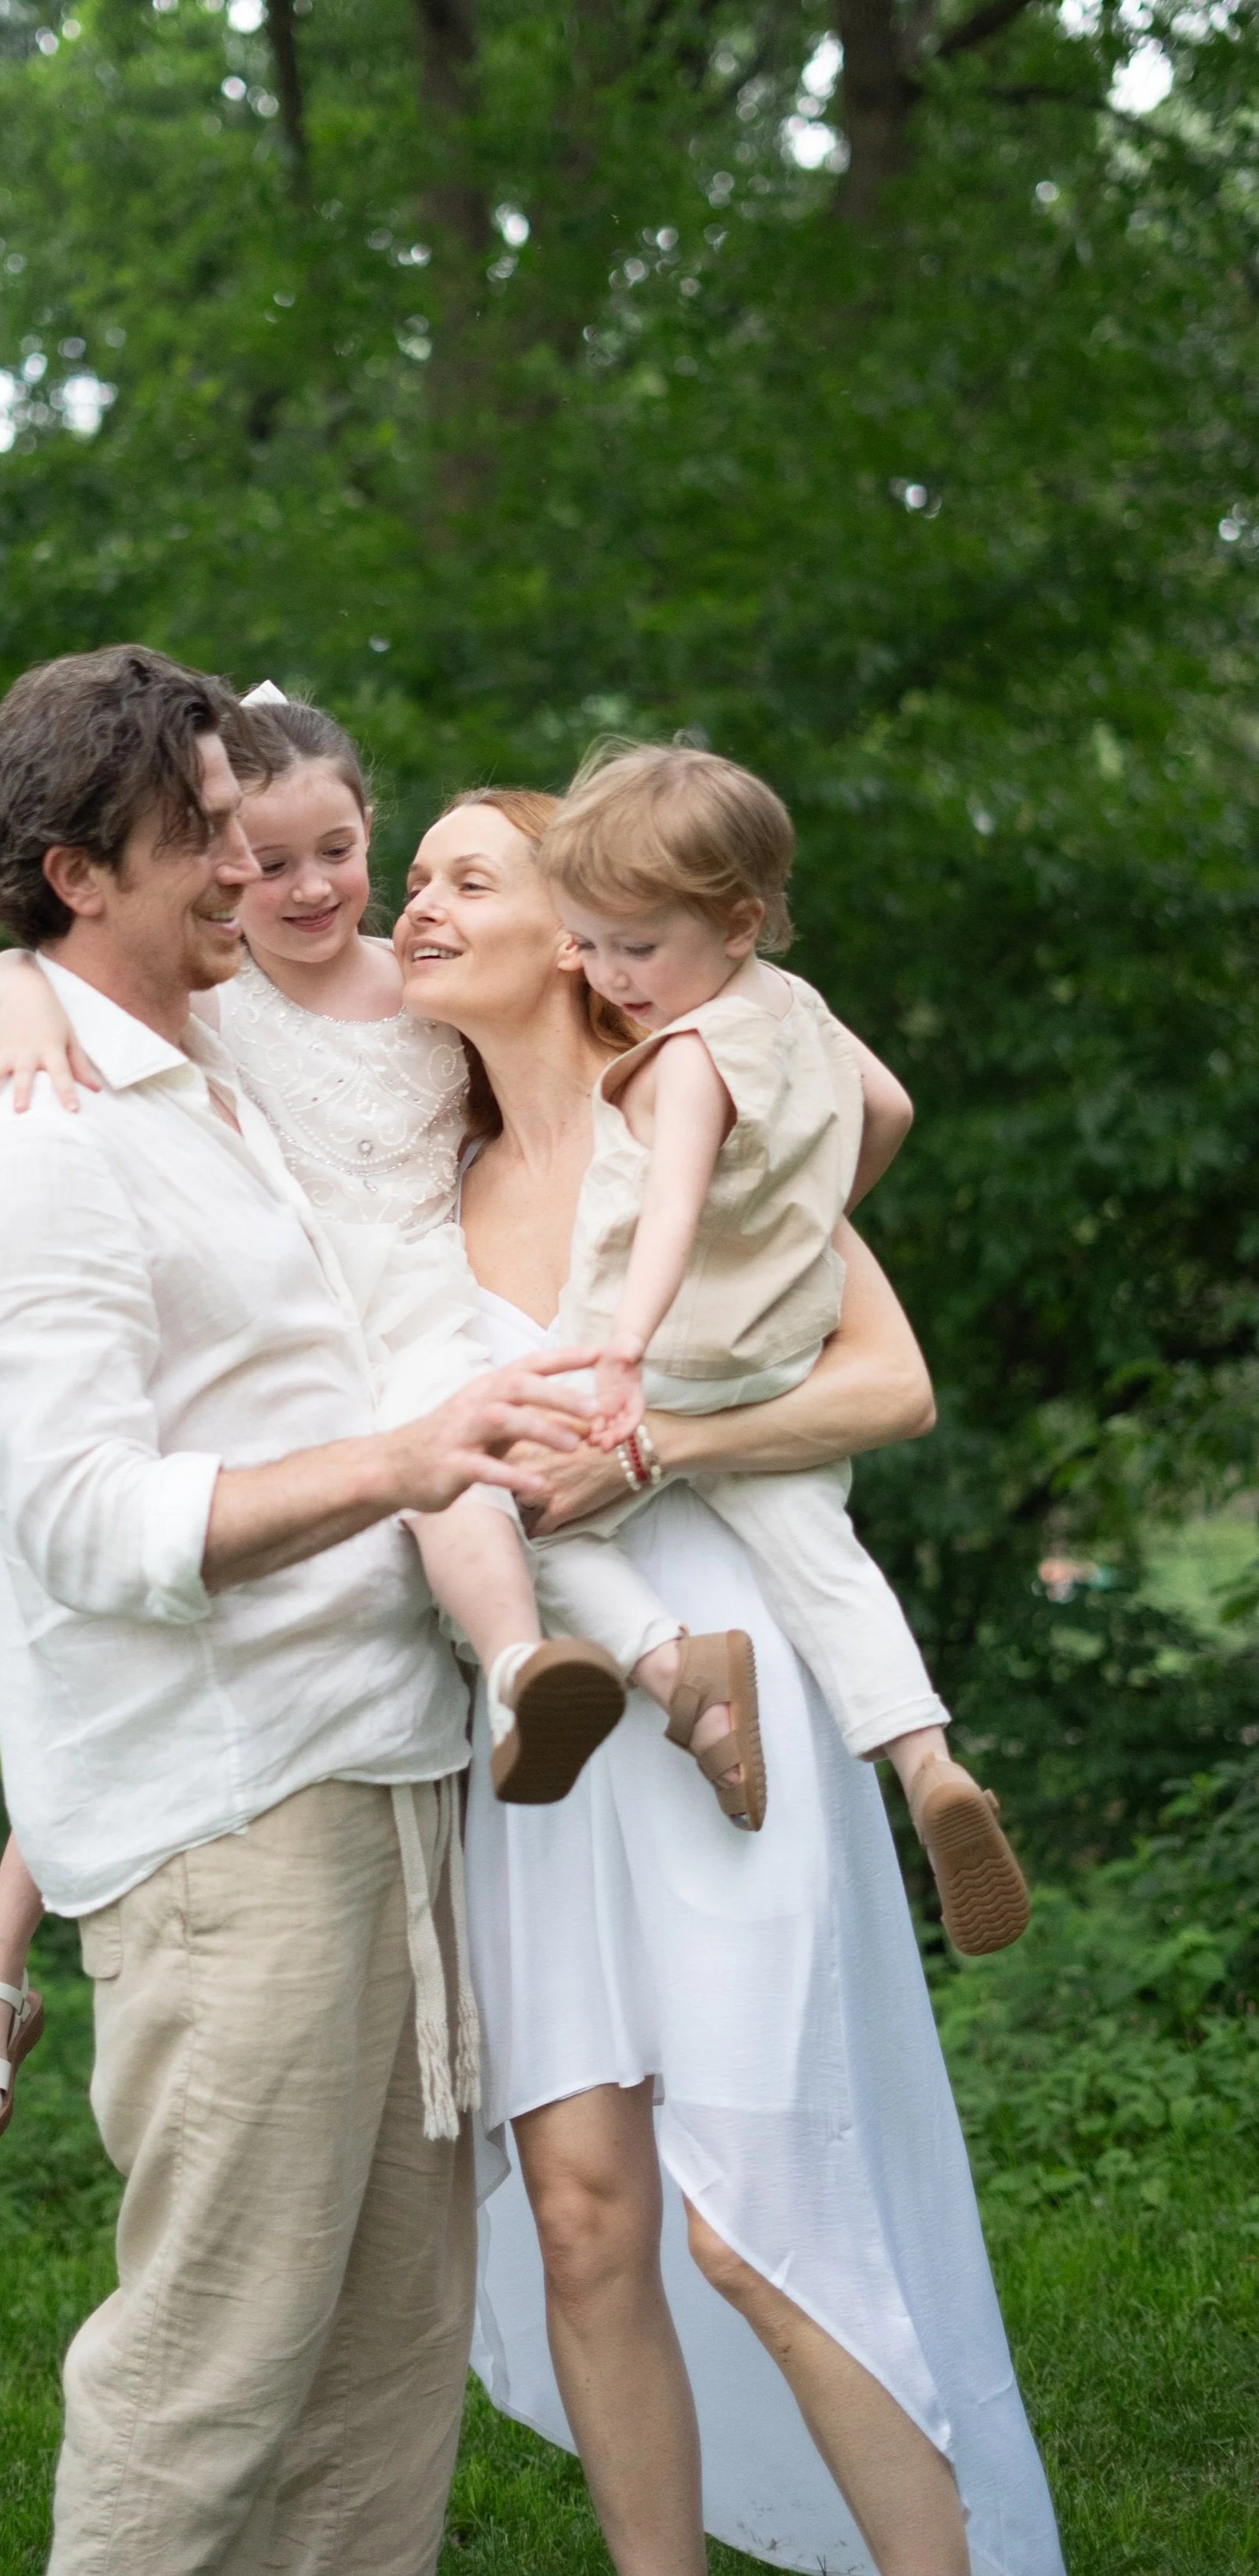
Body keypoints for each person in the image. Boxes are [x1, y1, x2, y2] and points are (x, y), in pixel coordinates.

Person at [0, 643, 604, 2576]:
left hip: (383, 1776)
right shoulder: (30, 1141)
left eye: (247, 822)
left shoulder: (201, 1055)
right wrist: (403, 1461)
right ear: (81, 875)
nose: (250, 864)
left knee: (382, 2373)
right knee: (211, 2382)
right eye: (203, 835)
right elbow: (75, 1516)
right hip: (231, 1829)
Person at [0, 696, 771, 2147]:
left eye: (343, 850)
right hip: (314, 1345)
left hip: (415, 1303)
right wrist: (16, 990)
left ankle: (534, 1672)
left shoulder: (421, 989)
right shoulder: (210, 998)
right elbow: (59, 970)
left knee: (463, 1473)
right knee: (121, 1592)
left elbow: (620, 1039)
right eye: (259, 854)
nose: (305, 888)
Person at [396, 785, 1066, 2576]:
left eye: (464, 876)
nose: (411, 905)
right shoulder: (426, 1194)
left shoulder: (700, 1126)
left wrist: (663, 1443)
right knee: (584, 2217)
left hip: (729, 1690)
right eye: (411, 879)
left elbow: (887, 1389)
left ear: (580, 934)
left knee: (763, 2221)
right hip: (554, 1724)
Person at [531, 739, 1029, 1953]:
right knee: (823, 1560)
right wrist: (811, 1221)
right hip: (779, 1353)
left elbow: (672, 1212)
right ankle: (927, 1765)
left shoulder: (690, 1057)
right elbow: (893, 1106)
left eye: (635, 947)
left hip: (668, 1349)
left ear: (741, 920)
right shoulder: (798, 1010)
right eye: (588, 943)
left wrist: (626, 1350)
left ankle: (675, 1673)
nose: (608, 975)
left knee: (526, 1523)